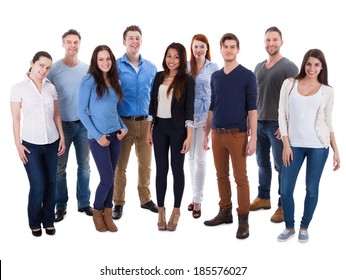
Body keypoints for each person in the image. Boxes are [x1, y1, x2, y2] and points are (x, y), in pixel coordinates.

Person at [277, 49, 340, 242]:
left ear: (322, 67)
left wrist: (336, 150)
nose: (312, 68)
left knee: (312, 188)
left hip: (318, 147)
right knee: (286, 189)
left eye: (317, 65)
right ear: (304, 64)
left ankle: (304, 226)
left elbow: (328, 121)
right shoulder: (289, 84)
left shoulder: (327, 91)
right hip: (293, 145)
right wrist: (286, 144)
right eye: (309, 64)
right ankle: (289, 226)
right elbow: (281, 114)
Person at [203, 33, 257, 239]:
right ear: (221, 49)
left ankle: (243, 220)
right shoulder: (215, 76)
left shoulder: (247, 75)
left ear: (238, 49)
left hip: (238, 136)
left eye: (232, 47)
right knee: (220, 176)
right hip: (217, 134)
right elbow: (212, 106)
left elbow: (252, 110)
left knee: (241, 178)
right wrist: (206, 133)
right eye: (225, 47)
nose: (228, 50)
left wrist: (253, 139)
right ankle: (225, 211)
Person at [10, 51, 66, 237]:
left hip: (52, 142)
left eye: (48, 67)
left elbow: (56, 115)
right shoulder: (19, 88)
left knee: (51, 183)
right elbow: (16, 119)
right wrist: (18, 145)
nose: (44, 70)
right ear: (32, 63)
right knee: (38, 185)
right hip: (30, 145)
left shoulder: (51, 88)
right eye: (41, 65)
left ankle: (48, 220)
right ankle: (35, 221)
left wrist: (62, 138)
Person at [251, 26, 298, 223]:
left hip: (277, 126)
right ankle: (263, 197)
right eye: (268, 40)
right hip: (259, 123)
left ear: (281, 42)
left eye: (274, 40)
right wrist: (251, 122)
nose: (271, 44)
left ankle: (283, 204)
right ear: (264, 43)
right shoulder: (259, 67)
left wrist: (286, 124)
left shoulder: (289, 67)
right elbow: (254, 96)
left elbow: (297, 98)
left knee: (281, 166)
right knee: (262, 163)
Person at [146, 42, 195, 231]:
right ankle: (161, 210)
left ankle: (176, 210)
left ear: (182, 59)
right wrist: (149, 130)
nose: (172, 60)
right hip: (159, 128)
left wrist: (189, 135)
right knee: (161, 170)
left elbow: (189, 110)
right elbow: (152, 104)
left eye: (176, 56)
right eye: (169, 56)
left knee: (177, 170)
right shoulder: (158, 76)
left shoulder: (187, 80)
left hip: (178, 131)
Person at [78, 45, 127, 232]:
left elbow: (113, 110)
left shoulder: (115, 81)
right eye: (101, 59)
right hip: (97, 138)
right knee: (106, 178)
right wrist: (98, 136)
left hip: (116, 135)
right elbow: (82, 113)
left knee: (111, 176)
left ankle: (108, 212)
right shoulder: (88, 80)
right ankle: (97, 212)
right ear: (95, 61)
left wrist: (123, 128)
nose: (105, 62)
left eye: (108, 59)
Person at [112, 25, 158, 220]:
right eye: (131, 38)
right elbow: (109, 96)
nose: (134, 41)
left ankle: (145, 199)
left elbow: (155, 98)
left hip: (146, 123)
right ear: (124, 41)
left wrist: (153, 123)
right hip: (123, 123)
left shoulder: (151, 68)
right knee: (119, 166)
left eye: (137, 38)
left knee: (145, 164)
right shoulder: (115, 66)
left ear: (141, 40)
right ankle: (118, 202)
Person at [47, 29, 92, 222]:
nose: (72, 45)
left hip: (83, 124)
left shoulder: (87, 68)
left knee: (84, 166)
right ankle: (61, 206)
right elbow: (45, 93)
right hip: (61, 126)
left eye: (76, 42)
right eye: (69, 42)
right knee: (59, 169)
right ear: (63, 44)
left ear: (80, 45)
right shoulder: (54, 69)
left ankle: (83, 203)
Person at [187, 34, 219, 219]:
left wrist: (212, 122)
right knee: (190, 159)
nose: (198, 50)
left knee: (200, 158)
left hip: (206, 117)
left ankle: (198, 199)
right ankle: (194, 195)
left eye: (202, 47)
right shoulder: (187, 66)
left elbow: (217, 95)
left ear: (207, 48)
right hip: (188, 118)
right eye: (195, 47)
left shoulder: (213, 68)